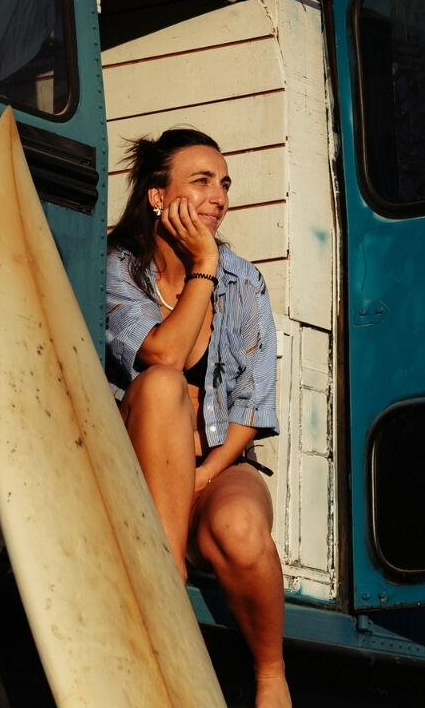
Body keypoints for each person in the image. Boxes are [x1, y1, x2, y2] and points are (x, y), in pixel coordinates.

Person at [103, 128, 290, 708]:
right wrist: (203, 266)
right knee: (160, 385)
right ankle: (166, 590)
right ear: (158, 197)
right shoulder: (118, 268)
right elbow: (163, 354)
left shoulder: (245, 279)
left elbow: (252, 405)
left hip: (212, 464)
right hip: (139, 470)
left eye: (225, 183)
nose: (219, 196)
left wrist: (206, 473)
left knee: (242, 530)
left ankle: (270, 674)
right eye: (202, 181)